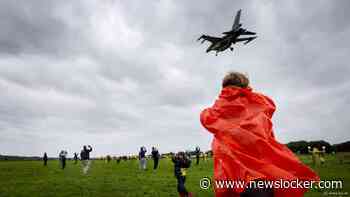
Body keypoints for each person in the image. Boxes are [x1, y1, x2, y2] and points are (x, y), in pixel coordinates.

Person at [200, 72, 319, 197]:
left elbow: (205, 117)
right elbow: (268, 112)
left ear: (224, 87)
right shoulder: (259, 107)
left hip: (236, 179)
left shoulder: (216, 113)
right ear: (245, 86)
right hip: (264, 177)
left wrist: (223, 101)